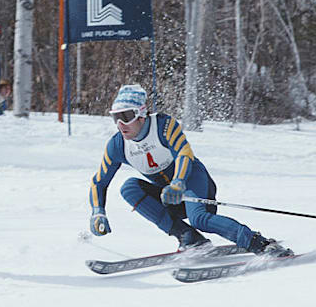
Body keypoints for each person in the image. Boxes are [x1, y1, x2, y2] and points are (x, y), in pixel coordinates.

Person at [87, 84, 291, 255]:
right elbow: (99, 181)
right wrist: (98, 212)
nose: (121, 124)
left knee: (200, 219)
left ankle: (260, 244)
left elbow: (184, 154)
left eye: (126, 116)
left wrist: (178, 183)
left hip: (193, 181)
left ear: (141, 114)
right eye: (116, 117)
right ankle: (189, 238)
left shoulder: (163, 126)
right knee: (129, 187)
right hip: (168, 196)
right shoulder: (117, 145)